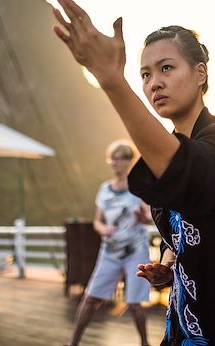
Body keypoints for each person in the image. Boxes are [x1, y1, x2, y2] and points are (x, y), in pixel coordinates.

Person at [52, 0, 215, 345]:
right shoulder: (163, 153)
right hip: (182, 326)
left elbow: (189, 174)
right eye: (145, 75)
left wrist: (112, 80)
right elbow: (179, 229)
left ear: (200, 73)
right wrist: (167, 262)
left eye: (166, 68)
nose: (153, 83)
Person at [68, 140, 153, 346]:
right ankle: (73, 343)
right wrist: (102, 228)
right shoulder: (104, 189)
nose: (114, 162)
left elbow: (149, 215)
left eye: (119, 158)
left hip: (135, 251)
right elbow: (97, 221)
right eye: (112, 158)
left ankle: (145, 343)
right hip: (110, 251)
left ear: (128, 161)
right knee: (90, 299)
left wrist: (144, 217)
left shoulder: (138, 187)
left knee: (134, 304)